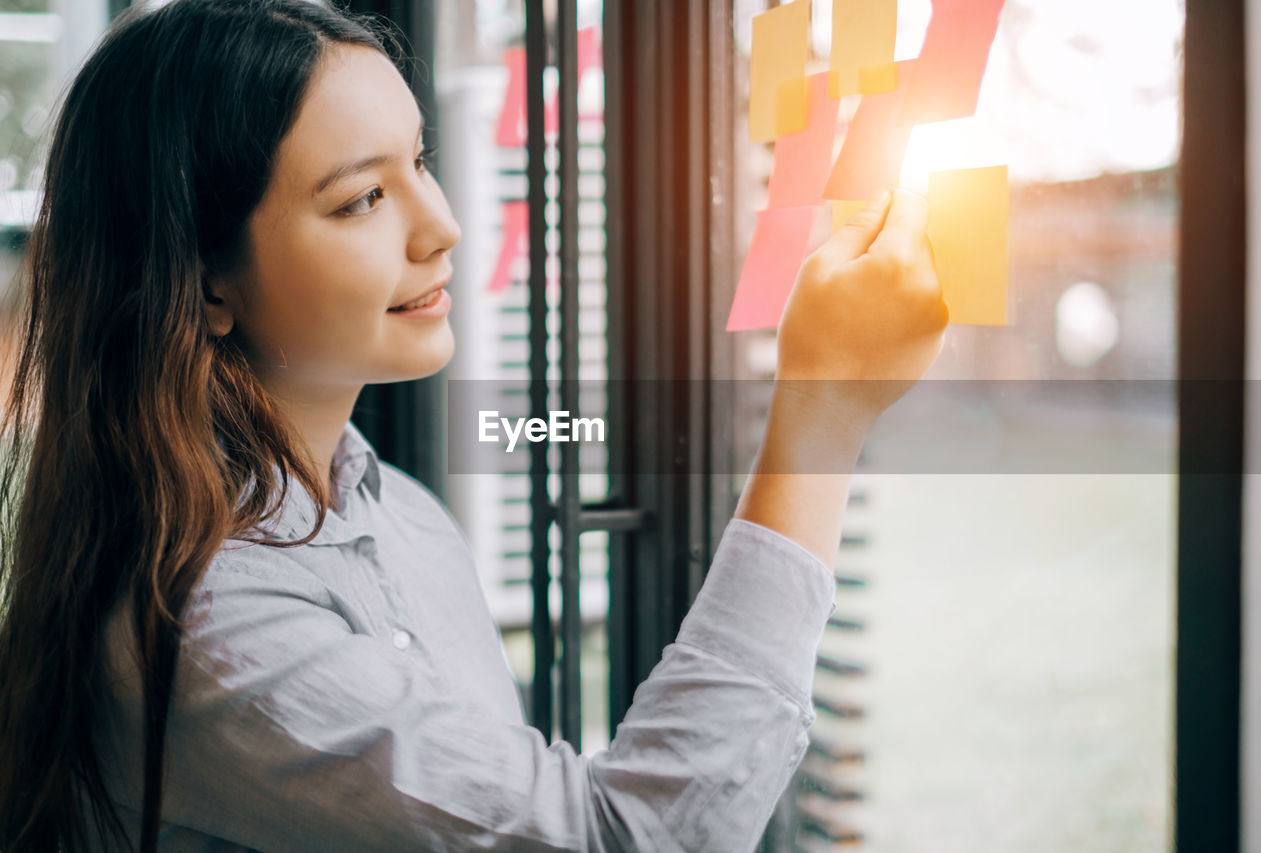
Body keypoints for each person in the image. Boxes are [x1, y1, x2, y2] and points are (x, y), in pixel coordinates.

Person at [0, 0, 948, 850]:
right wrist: (822, 410)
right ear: (203, 280)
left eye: (419, 162)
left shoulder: (405, 514)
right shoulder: (208, 625)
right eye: (363, 197)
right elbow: (632, 839)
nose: (441, 224)